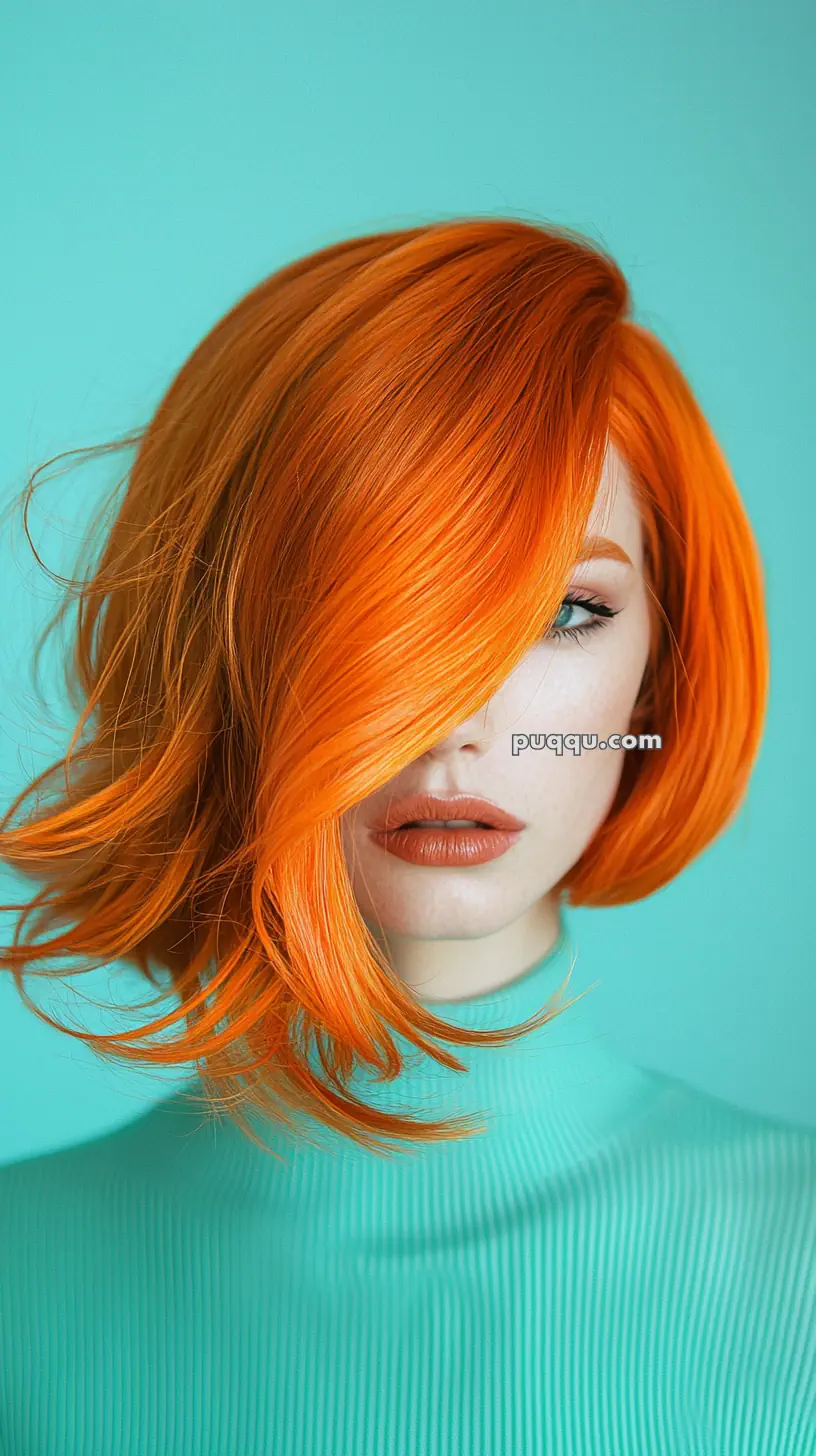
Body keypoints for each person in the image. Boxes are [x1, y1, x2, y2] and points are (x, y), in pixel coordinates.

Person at [0, 216, 812, 1456]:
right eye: (368, 601)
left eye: (564, 609)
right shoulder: (25, 1282)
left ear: (660, 667)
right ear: (217, 646)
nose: (459, 721)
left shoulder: (792, 1266)